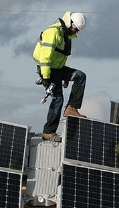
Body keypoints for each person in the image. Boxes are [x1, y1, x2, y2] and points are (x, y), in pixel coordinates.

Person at [32, 11, 87, 140]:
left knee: (80, 76)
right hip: (48, 69)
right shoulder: (53, 32)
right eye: (75, 29)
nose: (76, 32)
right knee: (58, 98)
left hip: (58, 68)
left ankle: (71, 108)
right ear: (70, 24)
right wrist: (46, 78)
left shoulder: (66, 35)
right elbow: (45, 58)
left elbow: (61, 56)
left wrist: (65, 77)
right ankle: (48, 132)